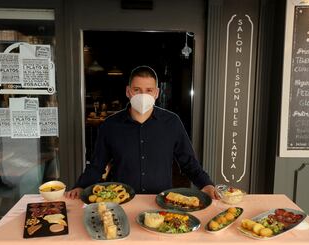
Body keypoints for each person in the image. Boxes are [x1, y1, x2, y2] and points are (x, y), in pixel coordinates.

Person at [65, 66, 217, 199]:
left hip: (161, 202)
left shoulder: (172, 123)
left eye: (149, 90)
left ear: (156, 93)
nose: (143, 95)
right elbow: (97, 165)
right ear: (128, 91)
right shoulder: (110, 125)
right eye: (137, 90)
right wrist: (81, 186)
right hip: (122, 201)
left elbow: (189, 163)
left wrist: (206, 184)